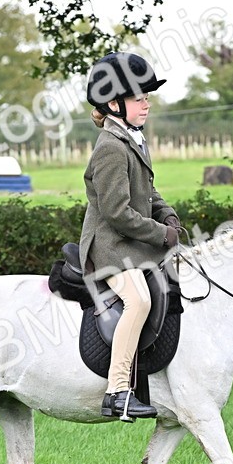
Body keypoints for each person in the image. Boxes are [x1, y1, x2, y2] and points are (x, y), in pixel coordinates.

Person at [79, 52, 183, 421]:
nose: (147, 103)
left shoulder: (132, 140)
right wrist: (161, 234)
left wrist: (167, 213)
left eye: (146, 97)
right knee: (138, 300)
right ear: (113, 103)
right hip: (108, 246)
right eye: (140, 97)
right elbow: (117, 213)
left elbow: (147, 193)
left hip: (130, 243)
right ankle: (118, 391)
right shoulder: (109, 147)